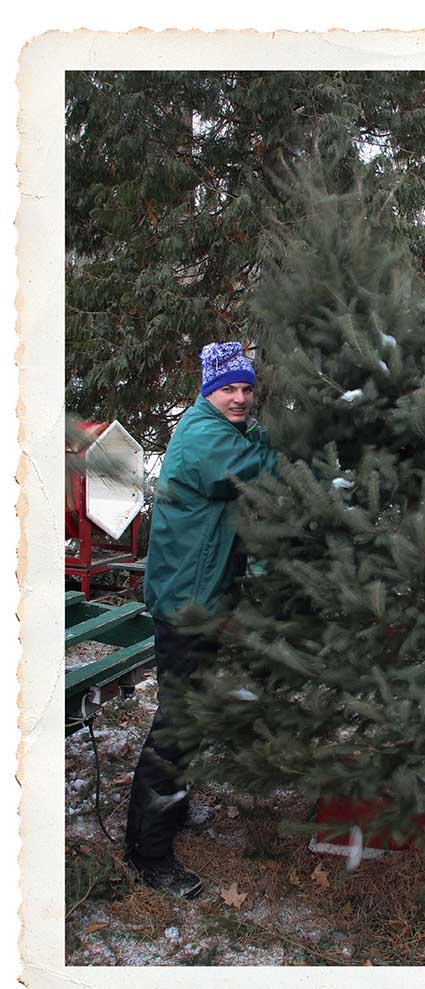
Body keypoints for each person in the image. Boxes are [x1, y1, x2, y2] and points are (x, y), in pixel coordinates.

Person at [125, 341, 276, 897]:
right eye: (228, 388)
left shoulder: (229, 430)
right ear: (207, 390)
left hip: (205, 598)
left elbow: (253, 442)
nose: (239, 398)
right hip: (187, 605)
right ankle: (148, 854)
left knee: (188, 716)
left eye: (245, 389)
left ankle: (171, 812)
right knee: (177, 725)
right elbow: (258, 468)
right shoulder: (201, 438)